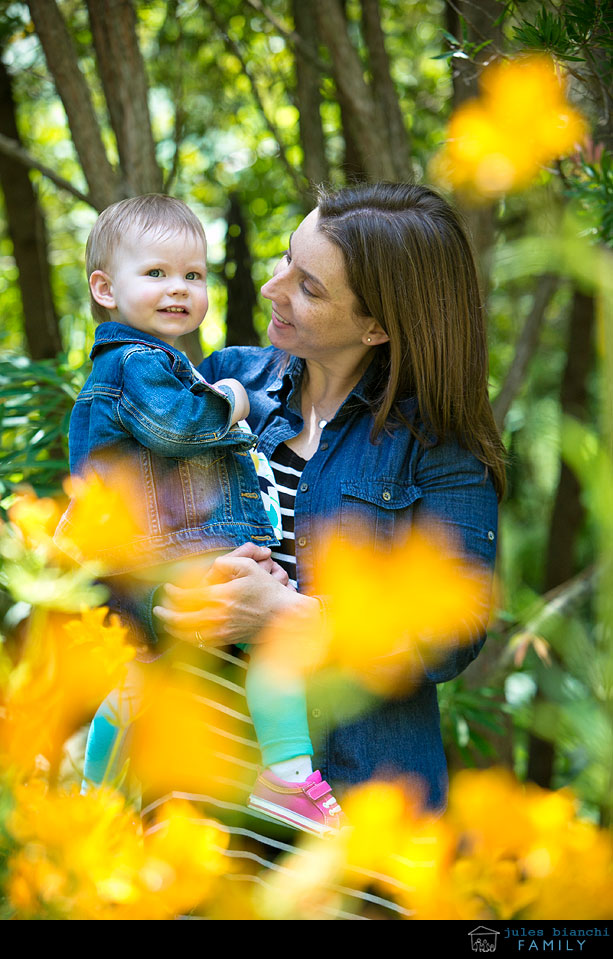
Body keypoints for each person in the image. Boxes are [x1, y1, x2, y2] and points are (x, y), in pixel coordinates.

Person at [154, 182, 506, 812]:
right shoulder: (225, 383)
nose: (273, 287)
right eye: (288, 258)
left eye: (308, 286)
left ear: (376, 326)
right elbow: (135, 521)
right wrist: (170, 597)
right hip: (203, 787)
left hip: (360, 802)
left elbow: (454, 626)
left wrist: (288, 617)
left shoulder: (441, 444)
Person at [57, 194, 346, 836]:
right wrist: (234, 403)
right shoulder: (139, 363)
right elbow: (178, 427)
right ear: (104, 288)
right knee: (275, 637)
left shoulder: (147, 361)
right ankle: (291, 776)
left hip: (143, 551)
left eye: (193, 275)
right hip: (176, 545)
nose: (179, 290)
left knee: (136, 680)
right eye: (156, 274)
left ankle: (91, 797)